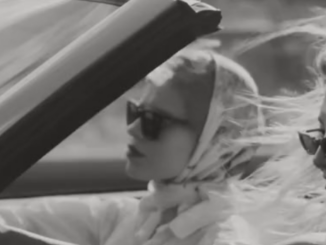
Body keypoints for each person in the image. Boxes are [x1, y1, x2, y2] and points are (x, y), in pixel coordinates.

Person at [0, 40, 266, 245]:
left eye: (154, 120)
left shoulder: (223, 238)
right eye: (135, 112)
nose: (133, 128)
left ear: (215, 143)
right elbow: (20, 220)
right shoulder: (132, 216)